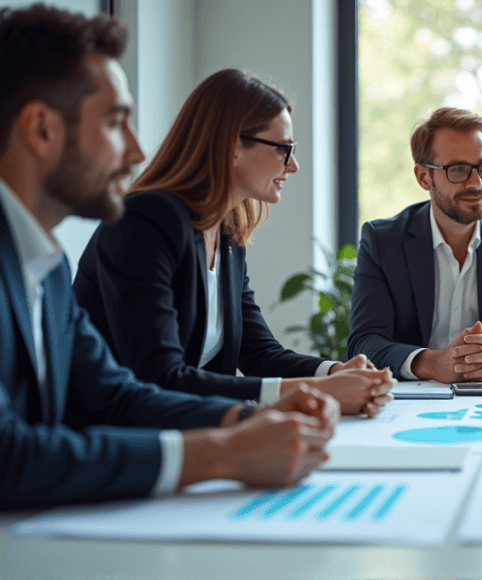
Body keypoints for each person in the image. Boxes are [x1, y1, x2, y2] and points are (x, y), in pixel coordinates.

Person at [0, 4, 339, 507]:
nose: (136, 151)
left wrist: (249, 421)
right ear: (43, 130)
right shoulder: (145, 220)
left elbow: (115, 394)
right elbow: (9, 456)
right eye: (116, 123)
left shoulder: (44, 266)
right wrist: (222, 453)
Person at [73, 69, 394, 417]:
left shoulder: (228, 234)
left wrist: (335, 372)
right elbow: (159, 377)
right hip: (114, 437)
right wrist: (316, 390)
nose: (294, 166)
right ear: (231, 146)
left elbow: (259, 353)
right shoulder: (146, 221)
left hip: (188, 430)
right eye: (284, 150)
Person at [348, 107, 482, 383]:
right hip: (410, 399)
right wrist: (431, 363)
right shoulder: (383, 241)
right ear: (424, 177)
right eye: (458, 169)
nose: (477, 183)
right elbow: (364, 343)